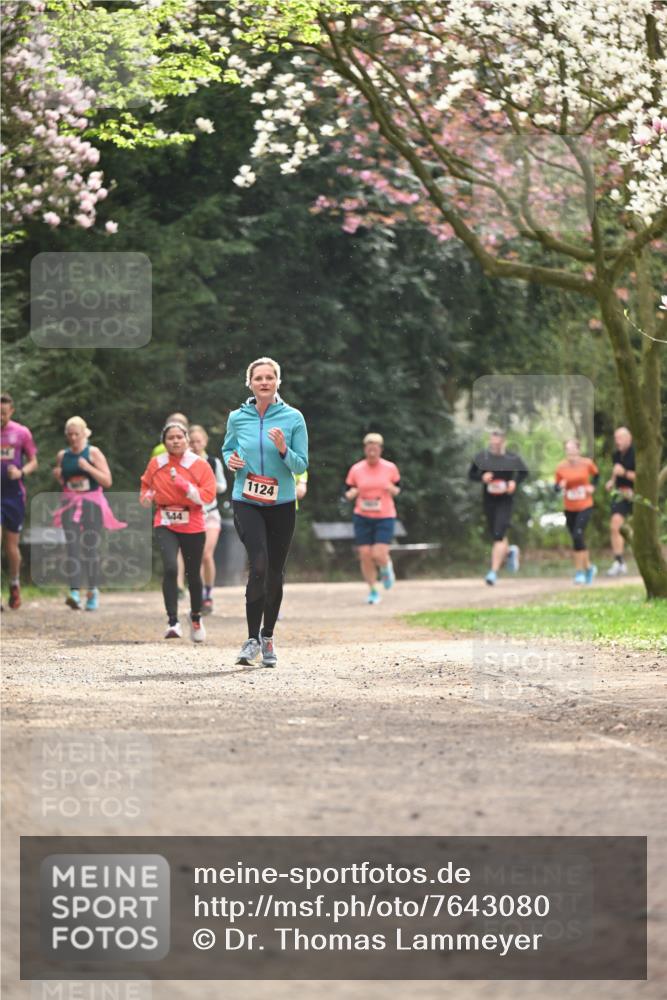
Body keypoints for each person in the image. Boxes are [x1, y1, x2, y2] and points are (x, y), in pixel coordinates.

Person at [222, 356, 308, 667]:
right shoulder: (237, 417)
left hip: (282, 503)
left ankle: (268, 636)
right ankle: (250, 640)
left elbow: (301, 464)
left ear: (277, 382)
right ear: (250, 383)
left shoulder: (293, 418)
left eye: (270, 377)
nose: (264, 382)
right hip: (246, 500)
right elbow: (228, 448)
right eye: (258, 377)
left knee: (274, 573)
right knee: (258, 565)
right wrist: (231, 460)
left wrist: (284, 449)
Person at [140, 420, 216, 641]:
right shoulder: (157, 463)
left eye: (179, 437)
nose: (175, 441)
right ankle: (172, 621)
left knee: (193, 573)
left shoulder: (199, 464)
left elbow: (207, 496)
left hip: (192, 521)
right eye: (170, 438)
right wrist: (146, 496)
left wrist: (184, 485)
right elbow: (146, 485)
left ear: (187, 440)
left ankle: (195, 616)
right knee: (171, 567)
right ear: (164, 442)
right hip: (164, 520)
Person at [53, 416, 126, 610]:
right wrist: (59, 477)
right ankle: (74, 593)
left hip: (91, 504)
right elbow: (65, 483)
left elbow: (107, 481)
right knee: (72, 548)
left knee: (90, 549)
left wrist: (89, 468)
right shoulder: (63, 455)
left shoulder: (93, 453)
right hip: (70, 505)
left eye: (77, 434)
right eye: (70, 434)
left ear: (84, 433)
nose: (73, 438)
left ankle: (93, 592)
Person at [345, 433, 401, 605]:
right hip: (362, 515)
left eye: (375, 448)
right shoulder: (356, 469)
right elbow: (347, 492)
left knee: (379, 553)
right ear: (365, 449)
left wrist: (391, 488)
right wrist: (351, 494)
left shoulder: (390, 468)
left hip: (385, 515)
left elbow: (398, 490)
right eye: (369, 447)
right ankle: (373, 590)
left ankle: (386, 567)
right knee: (365, 554)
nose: (372, 451)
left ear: (381, 450)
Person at [468, 430, 528, 585]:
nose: (495, 446)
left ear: (504, 442)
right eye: (492, 443)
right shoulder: (482, 457)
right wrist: (482, 477)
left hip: (505, 500)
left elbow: (524, 472)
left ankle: (493, 572)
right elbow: (471, 474)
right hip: (489, 500)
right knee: (497, 533)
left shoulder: (512, 458)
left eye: (498, 443)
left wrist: (514, 482)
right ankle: (509, 552)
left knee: (498, 534)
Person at [1, 393, 38, 610]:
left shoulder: (21, 433)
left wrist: (21, 471)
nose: (0, 418)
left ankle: (14, 584)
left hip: (14, 495)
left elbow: (34, 461)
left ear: (11, 412)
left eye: (3, 414)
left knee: (10, 545)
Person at [188, 424, 227, 615]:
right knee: (194, 558)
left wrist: (207, 484)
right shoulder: (184, 463)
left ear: (205, 441)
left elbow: (223, 486)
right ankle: (198, 594)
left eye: (198, 441)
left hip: (210, 513)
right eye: (192, 441)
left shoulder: (213, 462)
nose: (195, 445)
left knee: (205, 555)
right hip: (190, 515)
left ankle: (208, 594)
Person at [554, 438, 599, 585]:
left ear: (578, 450)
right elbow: (555, 487)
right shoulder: (561, 467)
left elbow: (596, 476)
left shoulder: (587, 463)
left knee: (578, 533)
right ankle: (589, 568)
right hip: (569, 507)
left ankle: (579, 572)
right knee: (576, 538)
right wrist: (560, 486)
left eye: (573, 449)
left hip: (585, 505)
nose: (571, 452)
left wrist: (593, 487)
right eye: (568, 450)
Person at [605, 426, 635, 576]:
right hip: (621, 494)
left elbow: (645, 477)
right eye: (616, 438)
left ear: (629, 438)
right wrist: (611, 481)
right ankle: (619, 561)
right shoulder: (616, 455)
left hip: (639, 496)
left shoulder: (637, 453)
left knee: (641, 529)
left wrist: (625, 473)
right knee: (615, 524)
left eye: (620, 438)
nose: (617, 441)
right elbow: (616, 472)